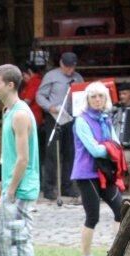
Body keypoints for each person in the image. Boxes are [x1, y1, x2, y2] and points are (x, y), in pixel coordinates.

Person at [0, 64, 40, 256]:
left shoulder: (20, 114)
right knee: (10, 242)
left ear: (10, 85)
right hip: (14, 185)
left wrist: (10, 190)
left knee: (20, 243)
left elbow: (23, 159)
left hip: (21, 187)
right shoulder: (8, 110)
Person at [72, 81, 124, 256]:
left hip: (105, 172)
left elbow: (115, 144)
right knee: (92, 216)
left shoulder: (105, 119)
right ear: (87, 99)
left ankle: (117, 253)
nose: (97, 99)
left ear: (106, 99)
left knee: (121, 210)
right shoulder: (81, 120)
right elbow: (94, 150)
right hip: (87, 174)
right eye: (93, 96)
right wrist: (111, 148)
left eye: (100, 96)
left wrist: (111, 148)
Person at [36, 52, 84, 202]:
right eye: (67, 67)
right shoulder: (51, 76)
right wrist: (49, 107)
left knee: (70, 153)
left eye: (72, 68)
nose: (70, 71)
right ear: (61, 64)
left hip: (72, 118)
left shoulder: (78, 78)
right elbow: (40, 95)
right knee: (53, 153)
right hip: (55, 117)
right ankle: (49, 188)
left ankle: (67, 186)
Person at [20, 63, 44, 127]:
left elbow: (27, 101)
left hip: (32, 116)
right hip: (30, 115)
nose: (22, 78)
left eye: (23, 75)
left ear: (30, 71)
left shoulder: (35, 82)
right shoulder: (31, 82)